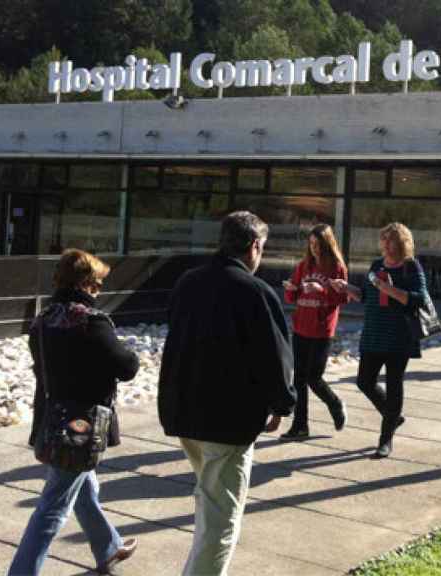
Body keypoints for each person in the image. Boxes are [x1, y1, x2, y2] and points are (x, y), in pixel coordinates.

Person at [158, 211, 296, 576]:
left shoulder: (189, 282)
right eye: (262, 248)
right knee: (221, 521)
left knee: (210, 504)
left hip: (184, 410)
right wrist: (282, 404)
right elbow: (275, 357)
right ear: (254, 246)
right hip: (227, 418)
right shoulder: (255, 292)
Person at [10, 249, 140, 576]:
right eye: (97, 283)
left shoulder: (43, 321)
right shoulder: (91, 322)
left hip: (53, 420)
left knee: (84, 488)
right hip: (82, 426)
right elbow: (127, 367)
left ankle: (108, 549)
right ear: (86, 284)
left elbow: (43, 375)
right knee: (54, 507)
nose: (99, 289)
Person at [330, 222, 427, 458]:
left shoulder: (410, 267)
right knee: (364, 381)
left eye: (390, 240)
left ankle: (386, 440)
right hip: (373, 334)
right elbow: (365, 295)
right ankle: (393, 417)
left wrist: (388, 288)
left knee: (394, 386)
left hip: (399, 337)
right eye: (383, 239)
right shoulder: (375, 265)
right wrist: (345, 288)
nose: (385, 244)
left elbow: (419, 299)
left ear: (401, 243)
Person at [280, 224, 349, 439]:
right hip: (301, 326)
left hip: (321, 329)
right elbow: (292, 297)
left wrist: (323, 290)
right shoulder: (304, 266)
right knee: (298, 379)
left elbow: (343, 298)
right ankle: (300, 426)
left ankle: (335, 404)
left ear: (327, 244)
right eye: (311, 244)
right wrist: (291, 290)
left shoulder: (336, 267)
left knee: (314, 378)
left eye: (318, 244)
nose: (314, 249)